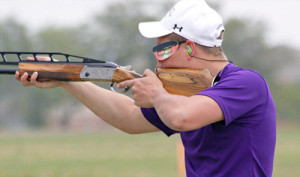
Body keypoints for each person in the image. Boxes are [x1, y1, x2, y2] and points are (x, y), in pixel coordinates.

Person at [16, 0, 276, 176]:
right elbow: (128, 118)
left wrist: (157, 94)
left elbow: (182, 117)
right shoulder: (180, 95)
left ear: (189, 47)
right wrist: (66, 78)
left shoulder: (246, 84)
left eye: (162, 49)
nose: (157, 58)